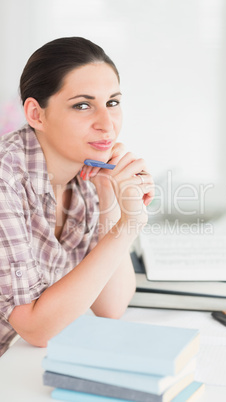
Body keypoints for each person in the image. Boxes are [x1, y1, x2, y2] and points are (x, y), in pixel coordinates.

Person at [0, 37, 154, 356]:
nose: (106, 123)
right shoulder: (6, 179)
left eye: (112, 102)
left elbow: (111, 306)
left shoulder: (84, 171)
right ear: (36, 114)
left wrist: (111, 198)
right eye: (82, 105)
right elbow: (34, 327)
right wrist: (128, 226)